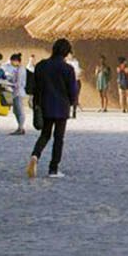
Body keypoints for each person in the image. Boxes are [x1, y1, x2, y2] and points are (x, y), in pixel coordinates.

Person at [27, 38, 77, 179]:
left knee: (45, 134)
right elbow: (72, 90)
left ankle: (35, 155)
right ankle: (53, 169)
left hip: (45, 105)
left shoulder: (41, 66)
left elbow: (35, 87)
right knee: (58, 138)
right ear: (66, 52)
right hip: (61, 107)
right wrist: (72, 103)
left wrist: (36, 103)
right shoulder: (68, 69)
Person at [9, 53, 30, 134]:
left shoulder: (21, 70)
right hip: (16, 92)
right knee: (16, 110)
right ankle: (20, 127)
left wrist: (9, 84)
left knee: (19, 111)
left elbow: (19, 83)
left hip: (18, 92)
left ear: (16, 61)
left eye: (12, 61)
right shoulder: (17, 69)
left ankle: (20, 127)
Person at [67, 52, 82, 118]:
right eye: (69, 55)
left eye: (71, 55)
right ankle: (67, 112)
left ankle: (74, 112)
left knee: (75, 97)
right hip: (68, 81)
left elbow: (77, 71)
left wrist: (78, 73)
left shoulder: (76, 62)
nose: (70, 56)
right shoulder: (66, 62)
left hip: (75, 80)